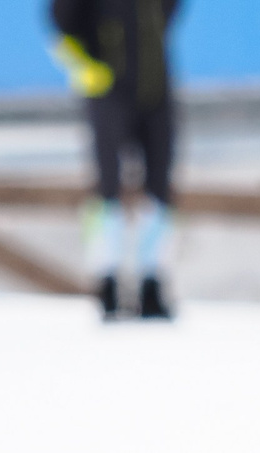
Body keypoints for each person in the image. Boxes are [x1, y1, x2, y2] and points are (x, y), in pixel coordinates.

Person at [51, 0, 180, 320]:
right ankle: (106, 280)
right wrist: (87, 64)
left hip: (155, 83)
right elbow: (61, 20)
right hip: (108, 86)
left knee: (160, 186)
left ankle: (152, 281)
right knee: (107, 186)